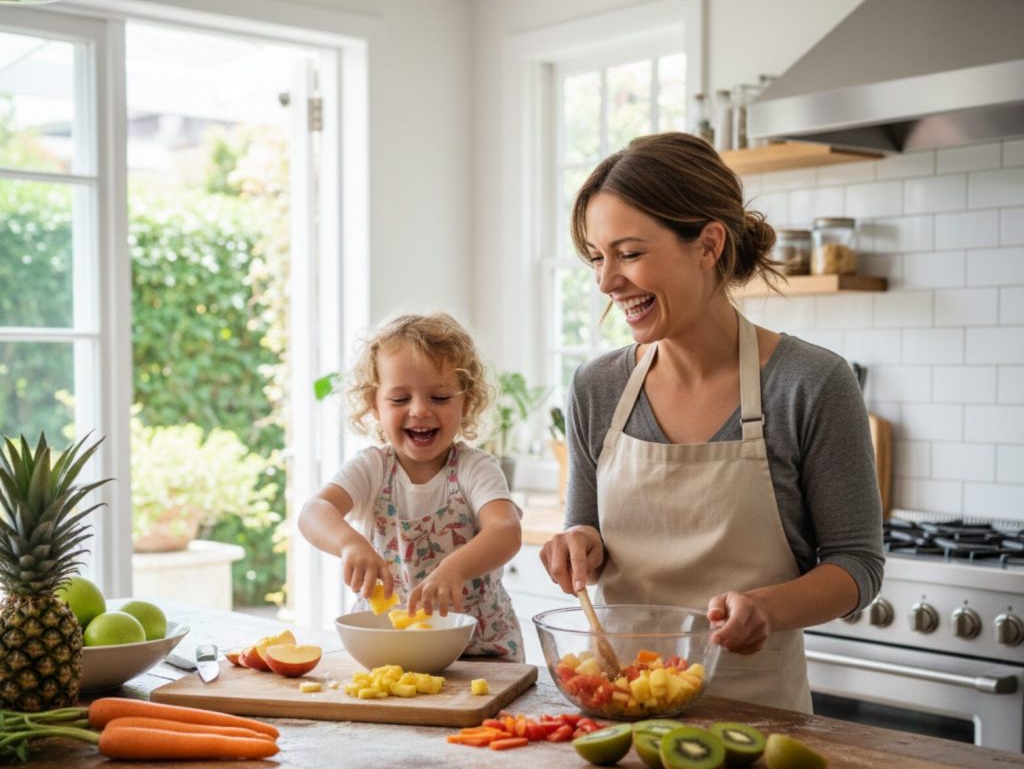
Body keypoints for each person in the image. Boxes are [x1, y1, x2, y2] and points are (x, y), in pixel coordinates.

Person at [540, 132, 884, 712]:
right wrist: (577, 545)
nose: (606, 281)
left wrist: (768, 609)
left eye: (628, 253)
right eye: (598, 258)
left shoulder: (813, 383)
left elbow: (858, 566)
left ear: (708, 245)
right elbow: (587, 536)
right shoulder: (597, 388)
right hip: (618, 713)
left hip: (760, 725)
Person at [299, 312, 524, 660]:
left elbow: (505, 529)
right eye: (400, 399)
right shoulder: (372, 468)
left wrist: (455, 569)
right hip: (390, 649)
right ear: (374, 404)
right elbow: (314, 512)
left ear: (467, 401)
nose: (419, 410)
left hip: (478, 652)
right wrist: (349, 544)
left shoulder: (475, 468)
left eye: (440, 397)